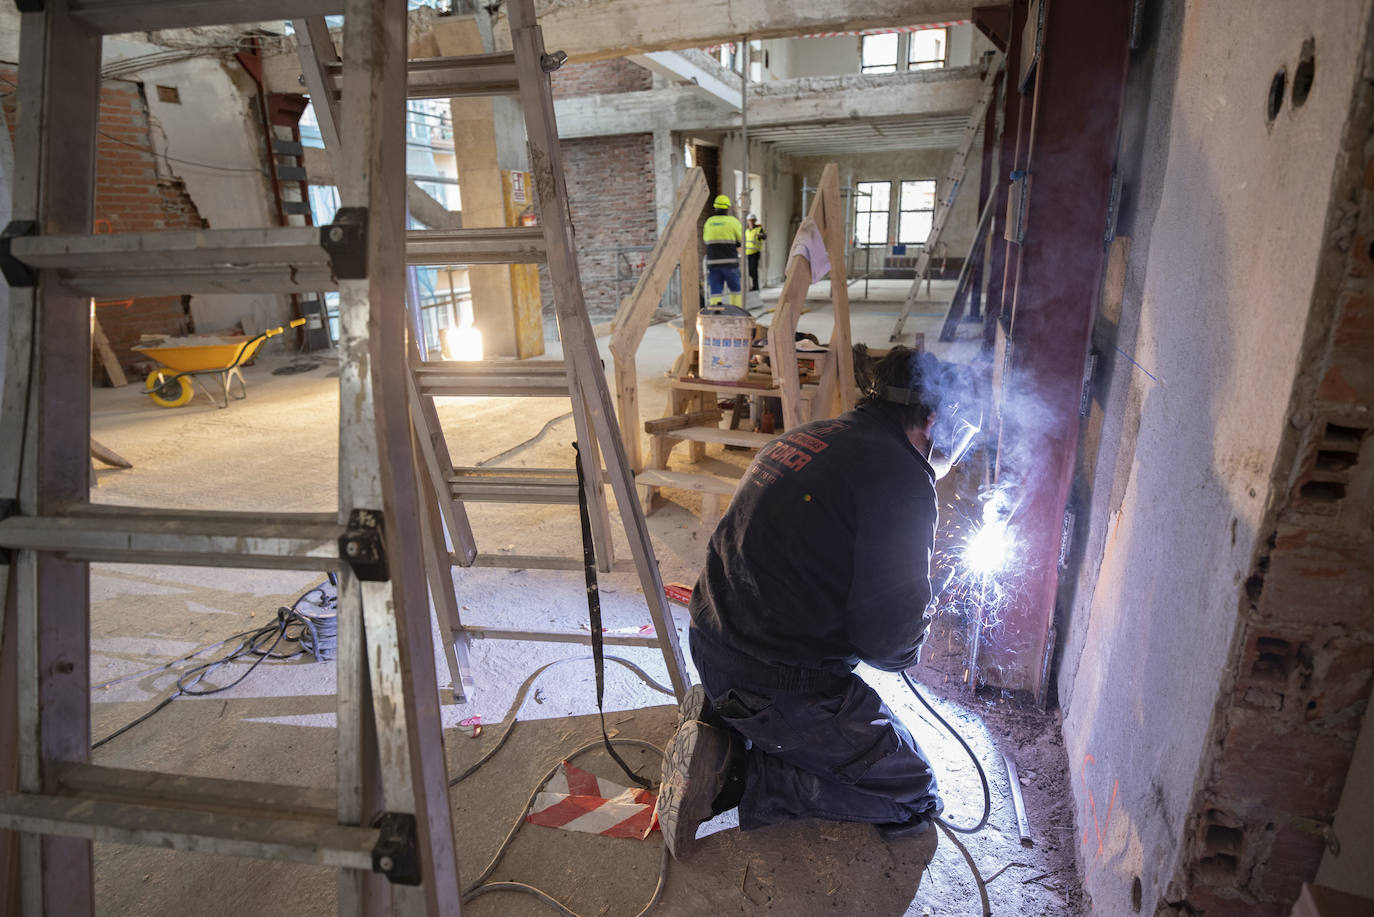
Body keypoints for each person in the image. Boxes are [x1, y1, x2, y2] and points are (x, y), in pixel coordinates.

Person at [655, 346, 945, 860]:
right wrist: (920, 610)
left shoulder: (810, 435)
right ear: (931, 417)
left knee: (853, 737)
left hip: (713, 640)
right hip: (777, 685)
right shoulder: (903, 474)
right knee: (913, 793)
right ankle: (734, 778)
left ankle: (727, 724)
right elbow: (887, 647)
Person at [703, 194, 743, 308]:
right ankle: (736, 312)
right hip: (730, 263)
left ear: (715, 207)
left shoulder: (708, 222)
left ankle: (715, 314)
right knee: (735, 290)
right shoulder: (733, 221)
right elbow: (740, 240)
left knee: (715, 291)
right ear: (727, 208)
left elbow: (706, 240)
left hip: (713, 263)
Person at [744, 214, 766, 291]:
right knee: (750, 271)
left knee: (754, 270)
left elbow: (764, 236)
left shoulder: (759, 229)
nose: (751, 222)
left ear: (755, 221)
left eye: (753, 220)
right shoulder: (746, 230)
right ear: (748, 221)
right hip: (747, 253)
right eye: (750, 220)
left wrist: (761, 235)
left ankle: (756, 287)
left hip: (755, 253)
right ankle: (753, 286)